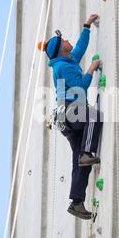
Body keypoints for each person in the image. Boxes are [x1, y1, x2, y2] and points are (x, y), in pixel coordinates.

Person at [46, 14, 103, 220]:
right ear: (62, 48)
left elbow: (79, 48)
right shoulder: (63, 67)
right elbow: (80, 87)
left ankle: (76, 202)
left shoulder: (66, 61)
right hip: (69, 110)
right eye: (64, 41)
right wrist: (90, 70)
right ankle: (87, 152)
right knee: (94, 116)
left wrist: (87, 26)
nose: (68, 40)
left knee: (80, 163)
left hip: (64, 118)